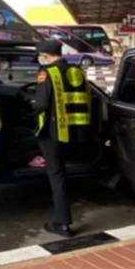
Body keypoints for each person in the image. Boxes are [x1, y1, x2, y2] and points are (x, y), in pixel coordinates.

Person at [26, 40, 93, 237]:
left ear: (45, 56)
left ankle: (62, 223)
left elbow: (41, 104)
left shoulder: (46, 73)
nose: (40, 60)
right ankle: (62, 219)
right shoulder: (77, 71)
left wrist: (31, 103)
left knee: (57, 175)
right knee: (63, 172)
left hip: (53, 132)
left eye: (40, 56)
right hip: (76, 131)